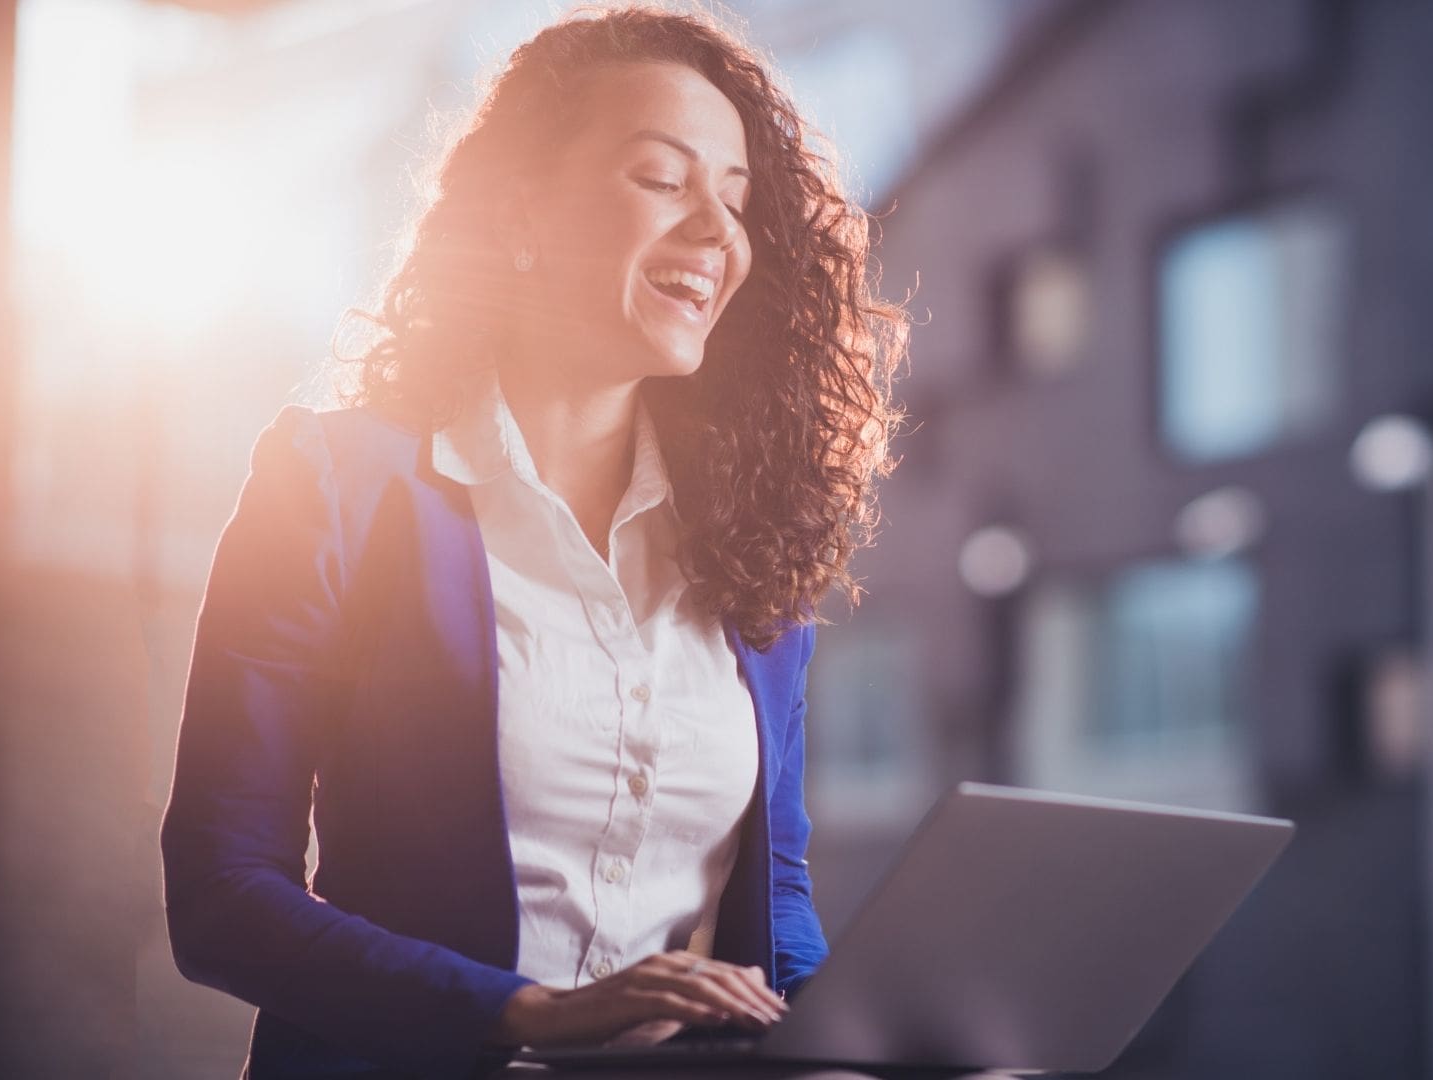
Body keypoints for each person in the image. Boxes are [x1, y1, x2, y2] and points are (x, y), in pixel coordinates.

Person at [159, 6, 906, 1079]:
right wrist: (528, 1013)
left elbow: (772, 902)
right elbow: (222, 895)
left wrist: (884, 1040)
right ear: (521, 213)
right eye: (663, 179)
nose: (718, 231)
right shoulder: (334, 486)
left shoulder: (751, 544)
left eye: (737, 200)